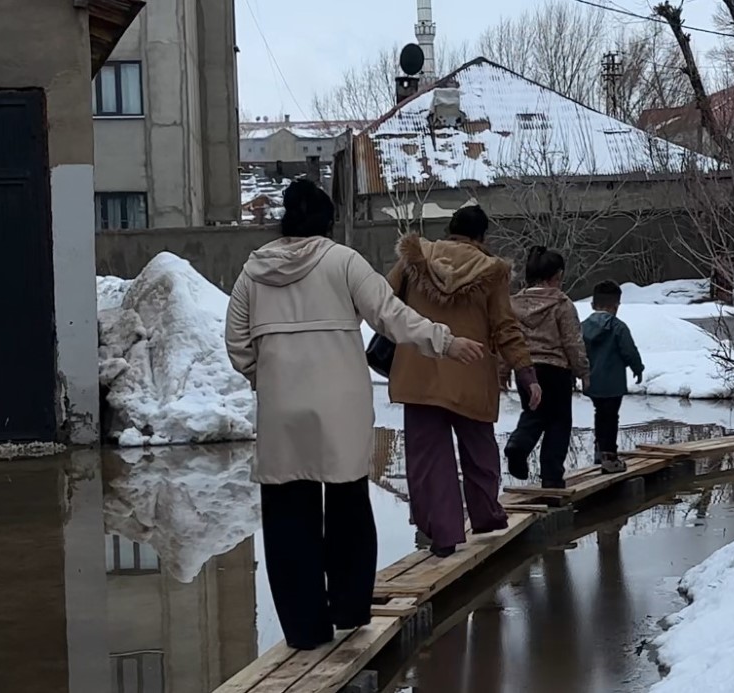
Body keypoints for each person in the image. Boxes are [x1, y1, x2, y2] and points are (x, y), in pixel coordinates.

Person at [224, 180, 485, 650]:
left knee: (287, 517)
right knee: (347, 505)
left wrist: (265, 378)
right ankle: (348, 609)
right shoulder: (344, 262)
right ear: (326, 221)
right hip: (340, 404)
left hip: (282, 410)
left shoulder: (252, 273)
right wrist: (445, 341)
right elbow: (392, 315)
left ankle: (305, 630)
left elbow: (237, 342)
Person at [386, 205, 542, 558]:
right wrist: (525, 371)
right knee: (479, 451)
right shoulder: (491, 272)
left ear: (450, 231)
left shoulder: (414, 260)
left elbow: (382, 303)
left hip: (419, 372)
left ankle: (442, 534)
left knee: (428, 460)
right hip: (471, 371)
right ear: (481, 238)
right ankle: (485, 515)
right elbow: (505, 327)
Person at [503, 246, 589, 489]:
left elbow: (505, 337)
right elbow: (573, 342)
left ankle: (518, 444)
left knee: (533, 414)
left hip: (525, 370)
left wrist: (503, 369)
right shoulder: (562, 304)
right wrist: (582, 371)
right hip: (556, 370)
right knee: (559, 423)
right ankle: (551, 476)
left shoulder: (512, 305)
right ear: (557, 276)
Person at [581, 280, 644, 474]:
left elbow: (576, 351)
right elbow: (629, 351)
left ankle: (600, 452)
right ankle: (609, 456)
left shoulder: (582, 327)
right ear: (616, 305)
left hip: (592, 382)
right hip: (613, 383)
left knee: (600, 415)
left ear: (593, 304)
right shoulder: (618, 327)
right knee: (611, 418)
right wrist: (637, 368)